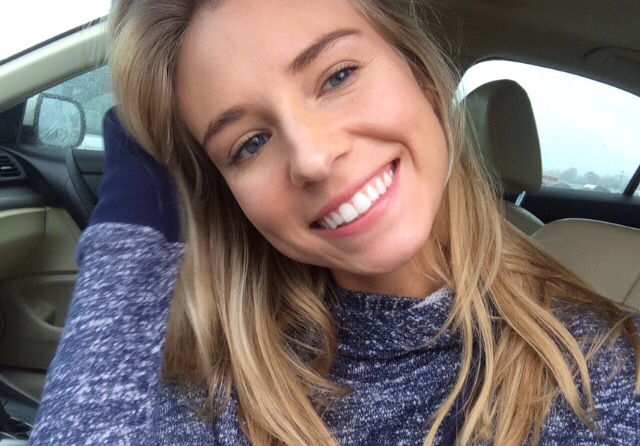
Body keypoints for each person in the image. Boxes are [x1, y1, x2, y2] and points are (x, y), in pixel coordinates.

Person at [30, 0, 640, 445]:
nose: (313, 158)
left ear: (421, 73)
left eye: (338, 76)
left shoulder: (601, 374)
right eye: (249, 144)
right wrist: (131, 244)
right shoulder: (220, 387)